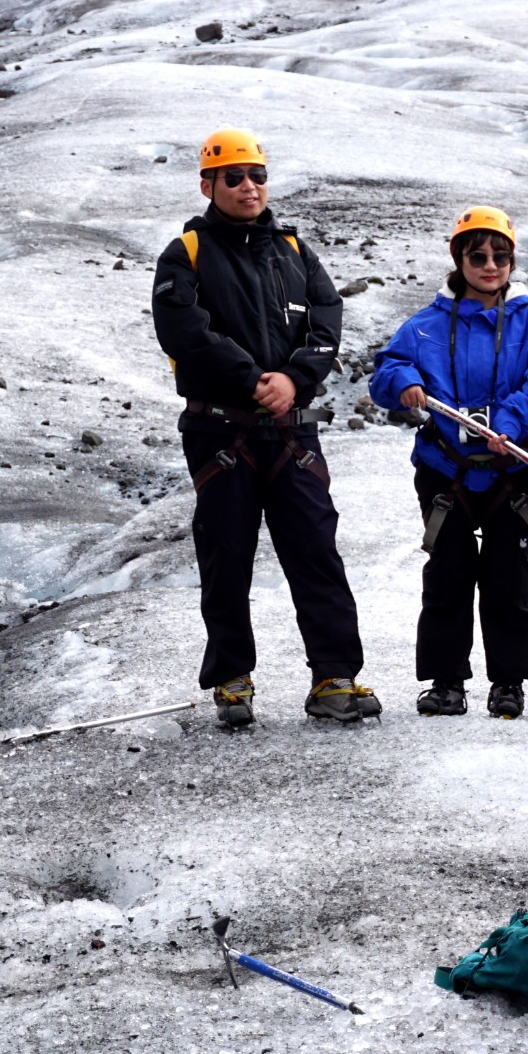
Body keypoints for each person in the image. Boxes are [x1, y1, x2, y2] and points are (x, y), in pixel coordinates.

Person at [150, 127, 376, 726]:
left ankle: (335, 679)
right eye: (234, 177)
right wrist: (255, 380)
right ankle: (231, 680)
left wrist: (296, 381)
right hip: (221, 433)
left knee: (316, 553)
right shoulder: (186, 255)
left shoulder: (295, 251)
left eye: (257, 175)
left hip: (292, 433)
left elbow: (327, 320)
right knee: (226, 557)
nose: (249, 186)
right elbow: (184, 332)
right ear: (208, 183)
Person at [369, 206, 528, 719]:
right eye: (477, 255)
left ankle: (508, 682)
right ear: (458, 258)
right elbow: (387, 370)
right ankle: (446, 683)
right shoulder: (424, 328)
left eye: (499, 256)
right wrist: (402, 385)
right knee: (448, 575)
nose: (489, 265)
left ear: (511, 260)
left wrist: (509, 421)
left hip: (512, 471)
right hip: (445, 471)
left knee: (508, 578)